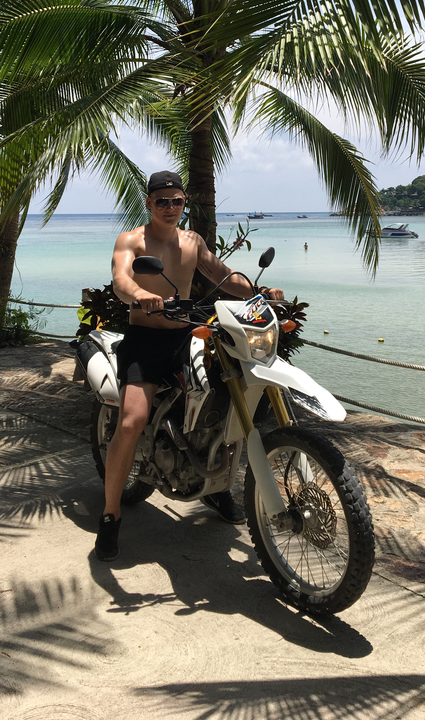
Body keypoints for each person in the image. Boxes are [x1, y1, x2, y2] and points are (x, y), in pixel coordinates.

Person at [95, 171, 284, 561]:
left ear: (185, 204)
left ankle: (214, 491)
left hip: (187, 336)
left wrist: (259, 292)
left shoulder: (192, 241)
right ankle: (111, 515)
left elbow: (223, 277)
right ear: (148, 203)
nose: (169, 207)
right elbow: (119, 279)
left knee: (221, 404)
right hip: (146, 341)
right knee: (131, 422)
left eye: (176, 201)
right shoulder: (131, 240)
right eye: (161, 201)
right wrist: (142, 294)